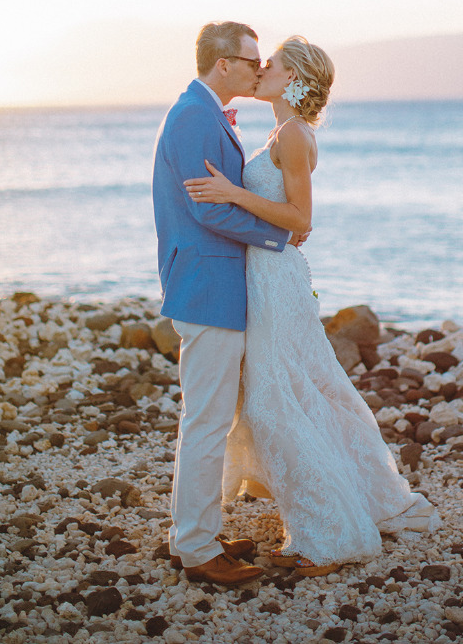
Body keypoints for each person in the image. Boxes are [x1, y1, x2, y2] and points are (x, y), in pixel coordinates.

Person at [184, 36, 439, 575]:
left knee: (276, 400)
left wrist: (231, 194)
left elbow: (300, 219)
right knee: (292, 394)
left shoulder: (295, 134)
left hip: (276, 279)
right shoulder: (280, 131)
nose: (260, 69)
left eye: (269, 64)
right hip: (264, 277)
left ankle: (329, 534)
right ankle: (337, 504)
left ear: (294, 77)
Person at [152, 21, 294, 587]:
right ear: (223, 64)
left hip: (214, 284)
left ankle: (195, 534)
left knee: (207, 421)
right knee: (206, 424)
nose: (260, 69)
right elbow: (208, 209)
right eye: (251, 59)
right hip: (206, 286)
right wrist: (279, 236)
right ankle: (196, 550)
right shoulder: (192, 115)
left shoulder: (204, 111)